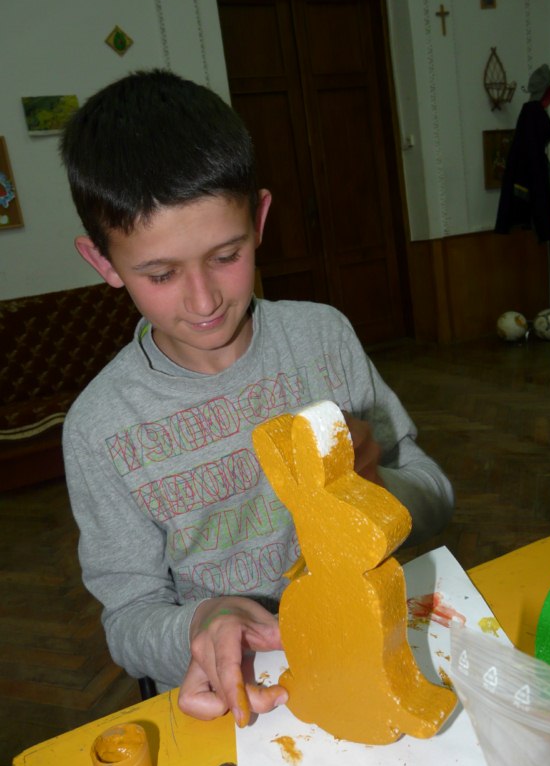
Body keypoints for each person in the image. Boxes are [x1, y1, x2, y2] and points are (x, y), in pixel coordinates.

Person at [59, 69, 453, 728]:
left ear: (259, 219)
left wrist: (378, 487)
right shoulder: (99, 427)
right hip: (229, 694)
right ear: (104, 263)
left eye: (226, 255)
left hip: (359, 653)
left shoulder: (324, 339)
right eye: (160, 274)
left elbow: (435, 496)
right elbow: (128, 621)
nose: (203, 300)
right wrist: (205, 620)